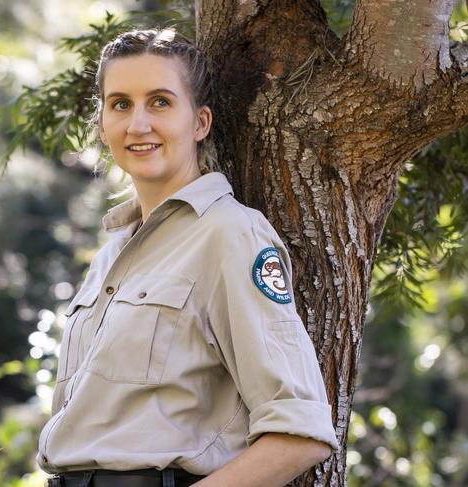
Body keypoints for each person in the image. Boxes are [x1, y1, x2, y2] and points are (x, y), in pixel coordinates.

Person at [36, 28, 339, 487]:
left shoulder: (231, 234)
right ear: (102, 124)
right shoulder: (110, 253)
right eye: (120, 104)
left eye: (160, 102)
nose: (138, 124)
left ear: (200, 123)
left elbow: (301, 433)